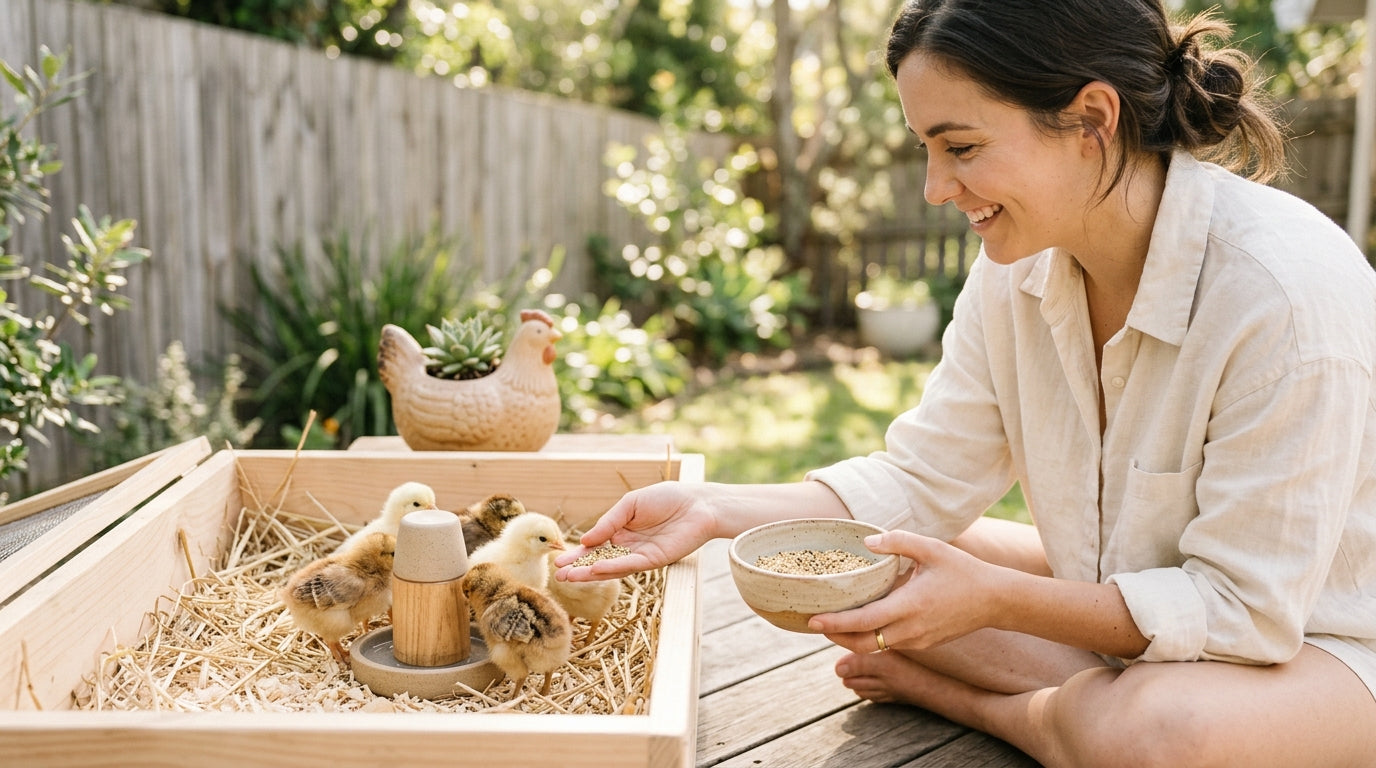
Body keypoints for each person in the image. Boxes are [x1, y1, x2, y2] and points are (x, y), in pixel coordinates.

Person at [555, 0, 1376, 765]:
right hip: (1134, 616)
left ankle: (1013, 713)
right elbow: (921, 480)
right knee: (867, 570)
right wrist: (716, 509)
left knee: (1157, 730)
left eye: (962, 147)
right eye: (927, 149)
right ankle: (1075, 706)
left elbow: (1240, 611)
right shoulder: (1015, 271)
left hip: (1323, 648)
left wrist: (992, 603)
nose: (935, 188)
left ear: (1092, 119)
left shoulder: (1280, 292)